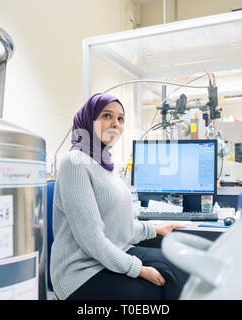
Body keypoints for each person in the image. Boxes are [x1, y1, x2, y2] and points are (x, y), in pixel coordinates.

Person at [50, 93, 189, 300]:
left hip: (114, 254)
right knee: (155, 291)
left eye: (120, 119)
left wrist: (155, 229)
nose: (115, 123)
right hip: (81, 272)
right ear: (89, 120)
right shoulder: (74, 162)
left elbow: (117, 227)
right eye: (107, 116)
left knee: (182, 268)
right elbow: (92, 240)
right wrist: (139, 269)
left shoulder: (105, 164)